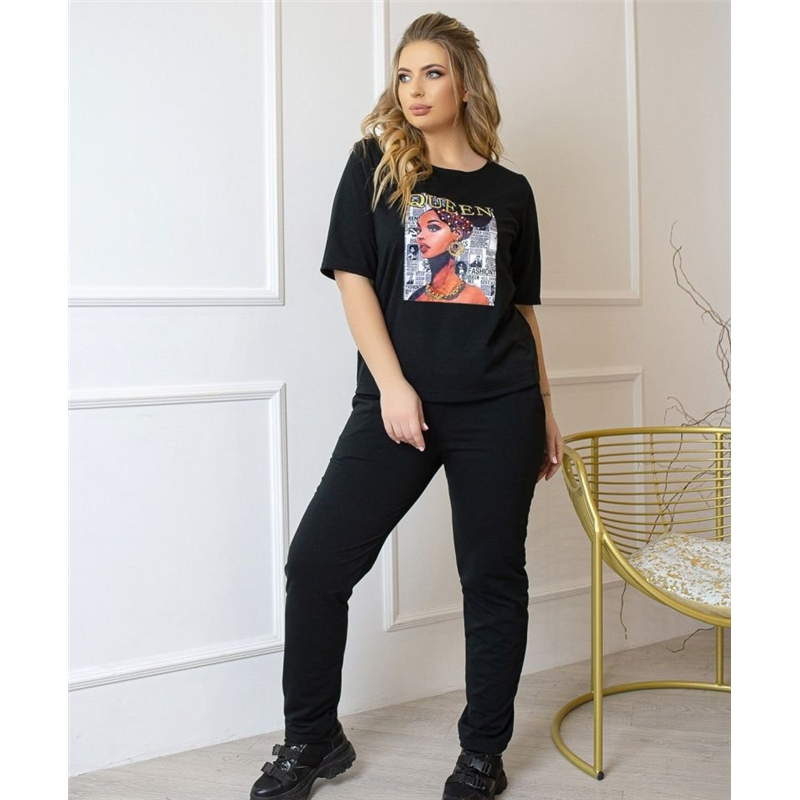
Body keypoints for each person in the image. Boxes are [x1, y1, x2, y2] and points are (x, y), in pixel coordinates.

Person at [249, 11, 562, 800]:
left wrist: (547, 409)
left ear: (465, 84)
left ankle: (482, 754)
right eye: (403, 74)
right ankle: (312, 738)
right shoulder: (376, 165)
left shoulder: (511, 192)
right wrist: (392, 385)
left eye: (432, 73)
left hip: (502, 406)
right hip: (398, 402)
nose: (414, 89)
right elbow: (353, 279)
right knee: (316, 565)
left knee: (493, 579)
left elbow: (522, 310)